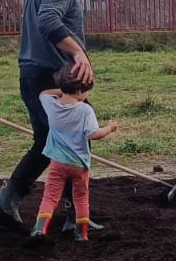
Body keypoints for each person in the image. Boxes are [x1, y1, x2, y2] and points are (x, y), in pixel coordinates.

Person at [0, 0, 96, 229]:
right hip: (51, 75)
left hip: (34, 73)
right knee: (73, 138)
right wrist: (78, 54)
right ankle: (70, 217)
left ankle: (9, 201)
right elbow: (49, 20)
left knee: (49, 141)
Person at [25, 66, 118, 244]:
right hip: (79, 164)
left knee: (50, 196)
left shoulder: (51, 104)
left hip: (57, 163)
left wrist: (64, 88)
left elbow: (43, 93)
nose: (85, 96)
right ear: (78, 90)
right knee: (81, 198)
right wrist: (110, 128)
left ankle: (39, 230)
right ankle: (81, 234)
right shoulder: (84, 110)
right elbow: (93, 134)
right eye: (85, 92)